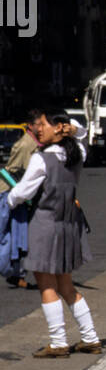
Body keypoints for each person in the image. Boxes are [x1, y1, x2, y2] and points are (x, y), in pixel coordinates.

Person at [6, 111, 101, 358]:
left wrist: (10, 200)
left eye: (43, 125)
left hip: (45, 225)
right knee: (66, 284)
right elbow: (82, 133)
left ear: (59, 128)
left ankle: (58, 342)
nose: (38, 129)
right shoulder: (77, 154)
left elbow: (21, 193)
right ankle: (90, 337)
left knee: (46, 284)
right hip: (69, 224)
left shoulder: (42, 159)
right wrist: (72, 129)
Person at [3, 108, 44, 288]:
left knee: (19, 235)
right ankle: (12, 271)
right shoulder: (25, 145)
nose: (42, 127)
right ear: (30, 126)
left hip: (21, 195)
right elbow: (8, 171)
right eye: (39, 124)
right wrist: (19, 195)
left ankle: (16, 273)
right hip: (9, 194)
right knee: (10, 235)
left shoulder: (36, 144)